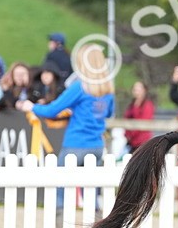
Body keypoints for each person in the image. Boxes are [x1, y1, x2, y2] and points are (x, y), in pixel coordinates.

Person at [19, 44, 115, 213]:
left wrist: (31, 106)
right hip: (97, 146)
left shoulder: (80, 87)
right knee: (90, 191)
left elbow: (52, 110)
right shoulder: (108, 89)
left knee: (60, 187)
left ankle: (60, 224)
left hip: (76, 143)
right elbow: (108, 113)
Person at [123, 80, 156, 153]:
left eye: (139, 89)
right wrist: (127, 134)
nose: (137, 92)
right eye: (135, 89)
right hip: (131, 142)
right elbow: (126, 119)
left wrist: (131, 134)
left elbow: (144, 122)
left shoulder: (147, 105)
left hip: (142, 142)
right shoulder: (131, 105)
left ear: (144, 91)